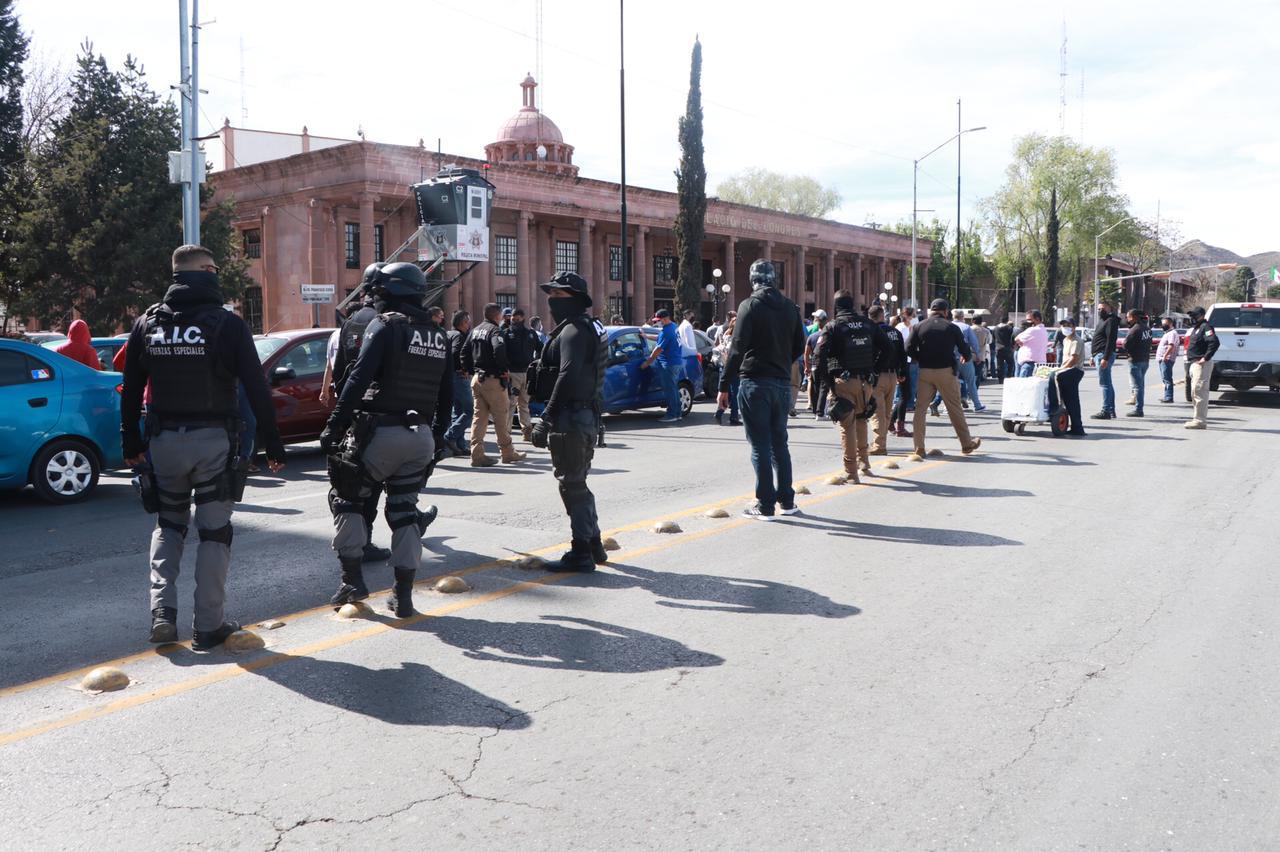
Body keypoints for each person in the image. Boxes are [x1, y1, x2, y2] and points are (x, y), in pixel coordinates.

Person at [120, 244, 286, 651]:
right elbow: (255, 386)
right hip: (213, 443)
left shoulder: (148, 322)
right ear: (208, 271)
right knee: (214, 533)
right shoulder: (227, 325)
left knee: (169, 524)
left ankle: (163, 613)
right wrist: (272, 441)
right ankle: (208, 626)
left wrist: (131, 440)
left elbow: (131, 389)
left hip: (163, 442)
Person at [319, 262, 451, 617]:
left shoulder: (385, 325)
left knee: (346, 500)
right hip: (420, 437)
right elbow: (446, 393)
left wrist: (333, 427)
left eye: (377, 291)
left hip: (379, 433)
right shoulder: (438, 334)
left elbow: (357, 380)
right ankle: (402, 596)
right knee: (405, 513)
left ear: (389, 291)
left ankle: (351, 581)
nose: (373, 297)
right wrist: (437, 437)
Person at [528, 272, 608, 572]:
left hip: (572, 418)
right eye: (552, 294)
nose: (552, 300)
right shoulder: (587, 327)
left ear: (575, 299)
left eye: (559, 295)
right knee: (578, 483)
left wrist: (545, 418)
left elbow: (568, 374)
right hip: (583, 415)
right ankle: (594, 544)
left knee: (572, 485)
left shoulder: (574, 331)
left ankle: (580, 553)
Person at [718, 260, 807, 520]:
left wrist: (724, 384)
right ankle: (787, 501)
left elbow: (736, 349)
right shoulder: (790, 307)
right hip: (781, 384)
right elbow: (798, 346)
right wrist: (781, 362)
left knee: (759, 446)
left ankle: (765, 505)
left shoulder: (750, 306)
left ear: (752, 279)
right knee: (780, 443)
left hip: (754, 382)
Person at [320, 262, 396, 563]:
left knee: (352, 483)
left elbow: (341, 376)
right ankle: (365, 543)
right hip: (383, 415)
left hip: (354, 416)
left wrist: (340, 419)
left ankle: (355, 545)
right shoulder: (386, 322)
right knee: (381, 485)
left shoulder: (348, 324)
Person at [814, 294, 886, 481]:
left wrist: (829, 382)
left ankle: (851, 472)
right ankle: (864, 463)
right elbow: (888, 348)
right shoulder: (868, 324)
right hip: (866, 382)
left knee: (847, 427)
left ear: (836, 306)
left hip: (844, 382)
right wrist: (875, 371)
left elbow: (819, 355)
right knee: (862, 420)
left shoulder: (833, 326)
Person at [906, 298, 981, 458]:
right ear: (945, 311)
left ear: (931, 310)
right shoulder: (951, 327)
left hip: (925, 371)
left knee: (920, 410)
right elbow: (964, 348)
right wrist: (966, 357)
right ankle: (966, 444)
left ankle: (919, 448)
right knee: (954, 408)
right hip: (946, 371)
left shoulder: (919, 326)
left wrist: (920, 357)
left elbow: (908, 348)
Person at [465, 303, 526, 466]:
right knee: (501, 416)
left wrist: (471, 370)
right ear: (497, 315)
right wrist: (503, 370)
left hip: (478, 378)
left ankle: (476, 455)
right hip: (492, 379)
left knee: (479, 418)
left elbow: (464, 351)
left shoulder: (475, 330)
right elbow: (498, 348)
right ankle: (507, 453)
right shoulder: (494, 330)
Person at [866, 304, 906, 456]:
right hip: (893, 376)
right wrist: (902, 372)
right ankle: (882, 443)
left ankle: (879, 445)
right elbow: (903, 353)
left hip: (878, 376)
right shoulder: (895, 332)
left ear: (870, 317)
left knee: (877, 412)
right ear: (882, 316)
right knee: (887, 413)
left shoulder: (872, 332)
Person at [503, 307, 543, 442]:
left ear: (523, 318)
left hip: (527, 373)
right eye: (513, 318)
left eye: (517, 318)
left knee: (524, 403)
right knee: (510, 403)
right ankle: (506, 433)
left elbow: (541, 349)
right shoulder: (506, 334)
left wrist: (536, 364)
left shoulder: (531, 334)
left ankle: (527, 431)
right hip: (512, 373)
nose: (514, 320)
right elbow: (501, 353)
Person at [641, 309, 683, 422]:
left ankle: (672, 414)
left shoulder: (667, 331)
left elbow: (658, 349)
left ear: (665, 319)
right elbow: (660, 338)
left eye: (659, 321)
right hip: (675, 362)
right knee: (673, 388)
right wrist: (646, 336)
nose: (657, 323)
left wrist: (647, 363)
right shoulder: (673, 326)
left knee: (670, 389)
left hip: (668, 364)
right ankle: (677, 413)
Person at [443, 310, 473, 457]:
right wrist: (463, 368)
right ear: (463, 323)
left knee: (458, 412)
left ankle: (459, 445)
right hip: (459, 376)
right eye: (468, 321)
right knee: (470, 411)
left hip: (450, 376)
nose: (469, 324)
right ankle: (449, 436)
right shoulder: (460, 336)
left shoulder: (448, 334)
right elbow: (456, 353)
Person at [1183, 306, 1219, 429]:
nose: (1193, 318)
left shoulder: (1206, 327)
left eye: (1195, 315)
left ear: (1202, 315)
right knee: (1195, 392)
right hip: (1194, 363)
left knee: (1200, 391)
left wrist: (1206, 358)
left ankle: (1200, 421)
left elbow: (1214, 342)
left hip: (1201, 364)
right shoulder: (1196, 328)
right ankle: (1197, 418)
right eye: (1191, 316)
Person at [1054, 318, 1086, 436]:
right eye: (1063, 325)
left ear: (1074, 327)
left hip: (1073, 371)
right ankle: (1074, 425)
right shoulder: (1066, 340)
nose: (1065, 327)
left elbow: (1073, 359)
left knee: (1072, 401)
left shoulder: (1076, 341)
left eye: (1068, 325)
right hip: (1066, 371)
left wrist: (1060, 370)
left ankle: (1078, 427)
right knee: (1067, 400)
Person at [1090, 300, 1120, 419]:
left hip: (1103, 354)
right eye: (1098, 309)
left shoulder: (1111, 321)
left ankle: (1106, 410)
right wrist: (1093, 356)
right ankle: (1110, 410)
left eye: (1102, 308)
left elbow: (1110, 340)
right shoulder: (1103, 321)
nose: (1099, 311)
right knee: (1107, 383)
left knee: (1105, 384)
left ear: (1109, 308)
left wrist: (1105, 357)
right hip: (1099, 354)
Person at [893, 306, 919, 436]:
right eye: (913, 314)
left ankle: (892, 422)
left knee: (906, 394)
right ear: (909, 315)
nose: (915, 317)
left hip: (907, 361)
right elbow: (905, 346)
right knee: (904, 395)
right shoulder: (902, 328)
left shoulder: (904, 327)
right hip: (904, 362)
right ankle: (899, 425)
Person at [953, 310, 985, 411]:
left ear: (953, 316)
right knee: (971, 382)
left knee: (951, 383)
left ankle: (948, 407)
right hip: (965, 357)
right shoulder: (966, 327)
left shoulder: (948, 326)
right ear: (962, 317)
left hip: (951, 358)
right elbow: (973, 342)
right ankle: (977, 405)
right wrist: (978, 355)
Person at [712, 315, 741, 425]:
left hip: (724, 367)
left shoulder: (726, 335)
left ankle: (719, 412)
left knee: (726, 392)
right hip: (733, 368)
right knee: (735, 393)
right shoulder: (735, 338)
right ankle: (733, 417)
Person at [1123, 309, 1152, 417]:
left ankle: (1138, 409)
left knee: (1137, 386)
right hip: (1145, 360)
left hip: (1135, 360)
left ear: (1134, 317)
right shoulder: (1147, 329)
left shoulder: (1135, 329)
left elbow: (1126, 345)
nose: (1127, 319)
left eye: (1128, 317)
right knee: (1141, 385)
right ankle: (1139, 407)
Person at [804, 310, 830, 419]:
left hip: (814, 364)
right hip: (825, 364)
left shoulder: (812, 336)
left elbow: (806, 353)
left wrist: (807, 366)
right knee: (824, 388)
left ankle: (815, 410)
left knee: (815, 388)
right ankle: (820, 412)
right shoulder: (829, 335)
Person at [1013, 310, 1048, 378]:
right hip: (1040, 364)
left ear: (1037, 319)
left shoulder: (1032, 330)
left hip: (1029, 364)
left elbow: (1016, 339)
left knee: (1023, 386)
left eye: (1029, 320)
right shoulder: (1044, 330)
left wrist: (1021, 343)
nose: (1027, 322)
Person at [1155, 317, 1180, 403]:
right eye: (1162, 324)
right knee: (1165, 378)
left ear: (1170, 324)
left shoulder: (1172, 333)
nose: (1163, 325)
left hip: (1166, 359)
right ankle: (1167, 396)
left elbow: (1171, 345)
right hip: (1163, 359)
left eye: (1165, 324)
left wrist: (1165, 356)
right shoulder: (1167, 333)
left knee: (1167, 378)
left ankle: (1169, 397)